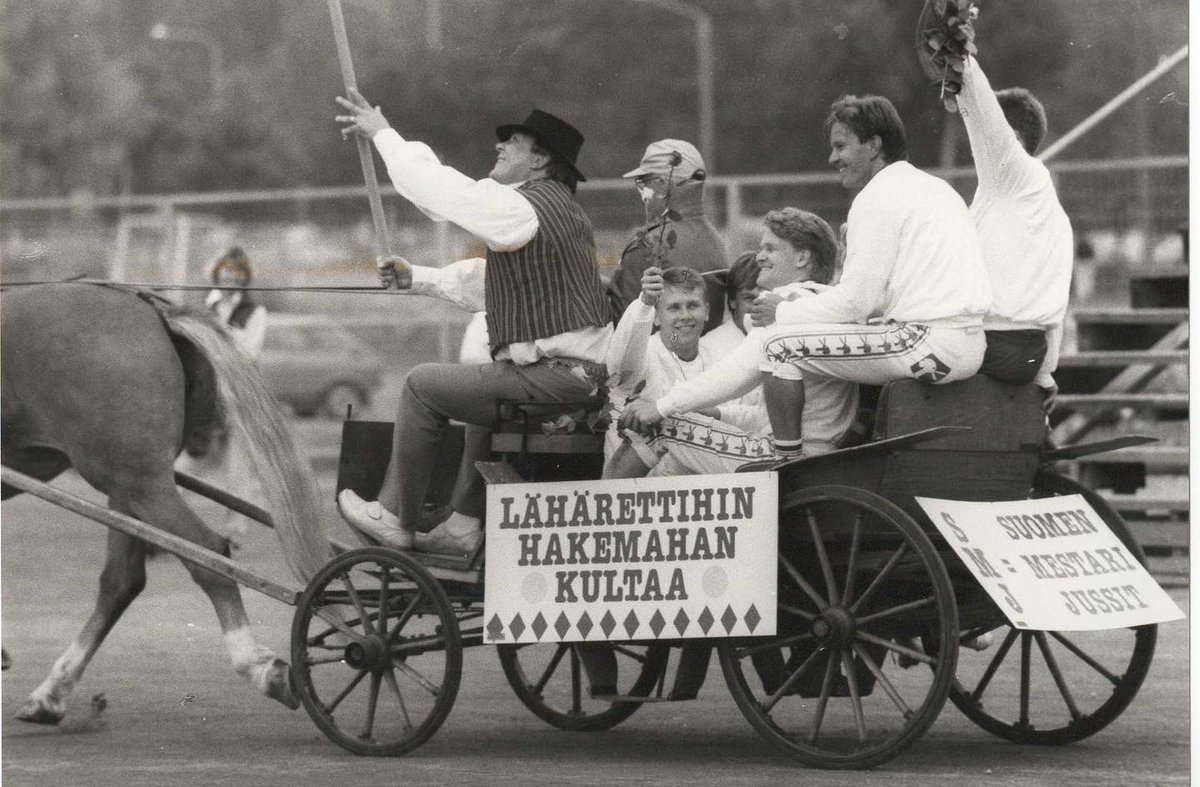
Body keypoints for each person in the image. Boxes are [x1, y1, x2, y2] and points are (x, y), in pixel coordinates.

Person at [333, 90, 611, 554]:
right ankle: (463, 526)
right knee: (482, 387)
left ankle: (395, 517)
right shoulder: (560, 211)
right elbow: (497, 284)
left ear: (539, 160)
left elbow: (442, 192)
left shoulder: (523, 207)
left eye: (513, 142)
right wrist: (418, 277)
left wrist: (384, 135)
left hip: (558, 378)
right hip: (576, 379)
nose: (499, 146)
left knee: (421, 385)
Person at [744, 95, 992, 458]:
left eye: (841, 146)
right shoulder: (936, 187)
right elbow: (875, 301)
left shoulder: (876, 197)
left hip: (929, 343)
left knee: (777, 347)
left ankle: (788, 462)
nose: (833, 158)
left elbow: (857, 302)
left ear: (874, 146)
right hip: (967, 343)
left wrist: (782, 311)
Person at [619, 208, 858, 463]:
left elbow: (735, 375)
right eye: (674, 308)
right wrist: (705, 411)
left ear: (802, 258)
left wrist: (662, 406)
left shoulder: (786, 306)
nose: (760, 257)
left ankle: (606, 489)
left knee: (658, 426)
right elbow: (761, 411)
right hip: (815, 451)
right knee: (676, 422)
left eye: (770, 249)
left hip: (790, 457)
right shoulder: (817, 303)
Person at [956, 54, 1073, 396]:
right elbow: (1057, 306)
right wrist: (1045, 373)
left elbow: (985, 115)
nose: (979, 145)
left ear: (1014, 139)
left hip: (993, 342)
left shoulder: (1012, 176)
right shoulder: (1051, 211)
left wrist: (962, 59)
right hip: (1029, 353)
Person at [177, 246, 268, 546]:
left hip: (240, 395)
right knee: (189, 456)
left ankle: (234, 531)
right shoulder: (204, 307)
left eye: (237, 273)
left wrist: (217, 340)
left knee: (238, 464)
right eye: (225, 272)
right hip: (205, 392)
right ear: (217, 274)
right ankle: (174, 520)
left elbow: (248, 353)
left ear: (244, 278)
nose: (230, 278)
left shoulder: (255, 312)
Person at [606, 139, 726, 330]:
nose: (642, 195)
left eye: (643, 184)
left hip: (662, 348)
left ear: (662, 184)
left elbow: (626, 328)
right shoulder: (717, 242)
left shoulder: (648, 246)